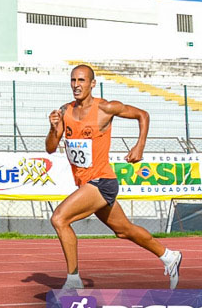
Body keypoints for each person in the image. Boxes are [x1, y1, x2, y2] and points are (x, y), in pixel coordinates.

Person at [46, 64, 182, 289]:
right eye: (73, 81)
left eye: (81, 81)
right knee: (124, 230)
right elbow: (51, 148)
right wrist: (53, 128)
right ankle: (169, 256)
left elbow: (142, 115)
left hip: (102, 182)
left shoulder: (105, 108)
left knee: (59, 218)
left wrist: (139, 146)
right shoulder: (64, 111)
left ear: (92, 84)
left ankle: (73, 280)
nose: (76, 85)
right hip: (86, 184)